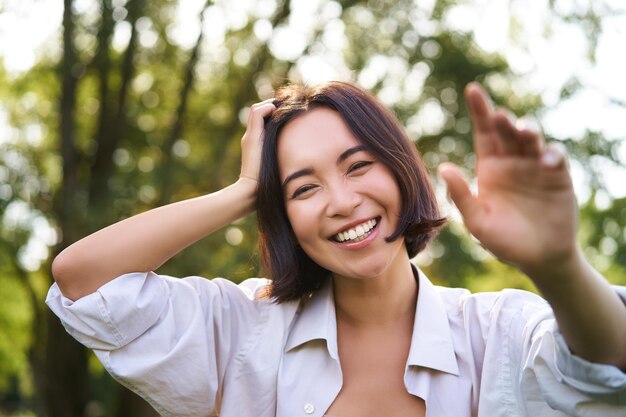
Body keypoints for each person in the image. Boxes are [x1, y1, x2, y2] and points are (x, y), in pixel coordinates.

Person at [46, 81, 626, 417]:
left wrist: (559, 265)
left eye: (358, 166)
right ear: (283, 214)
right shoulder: (242, 330)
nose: (343, 201)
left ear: (400, 169)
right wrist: (244, 191)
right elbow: (83, 283)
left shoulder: (495, 330)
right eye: (303, 188)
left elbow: (604, 367)